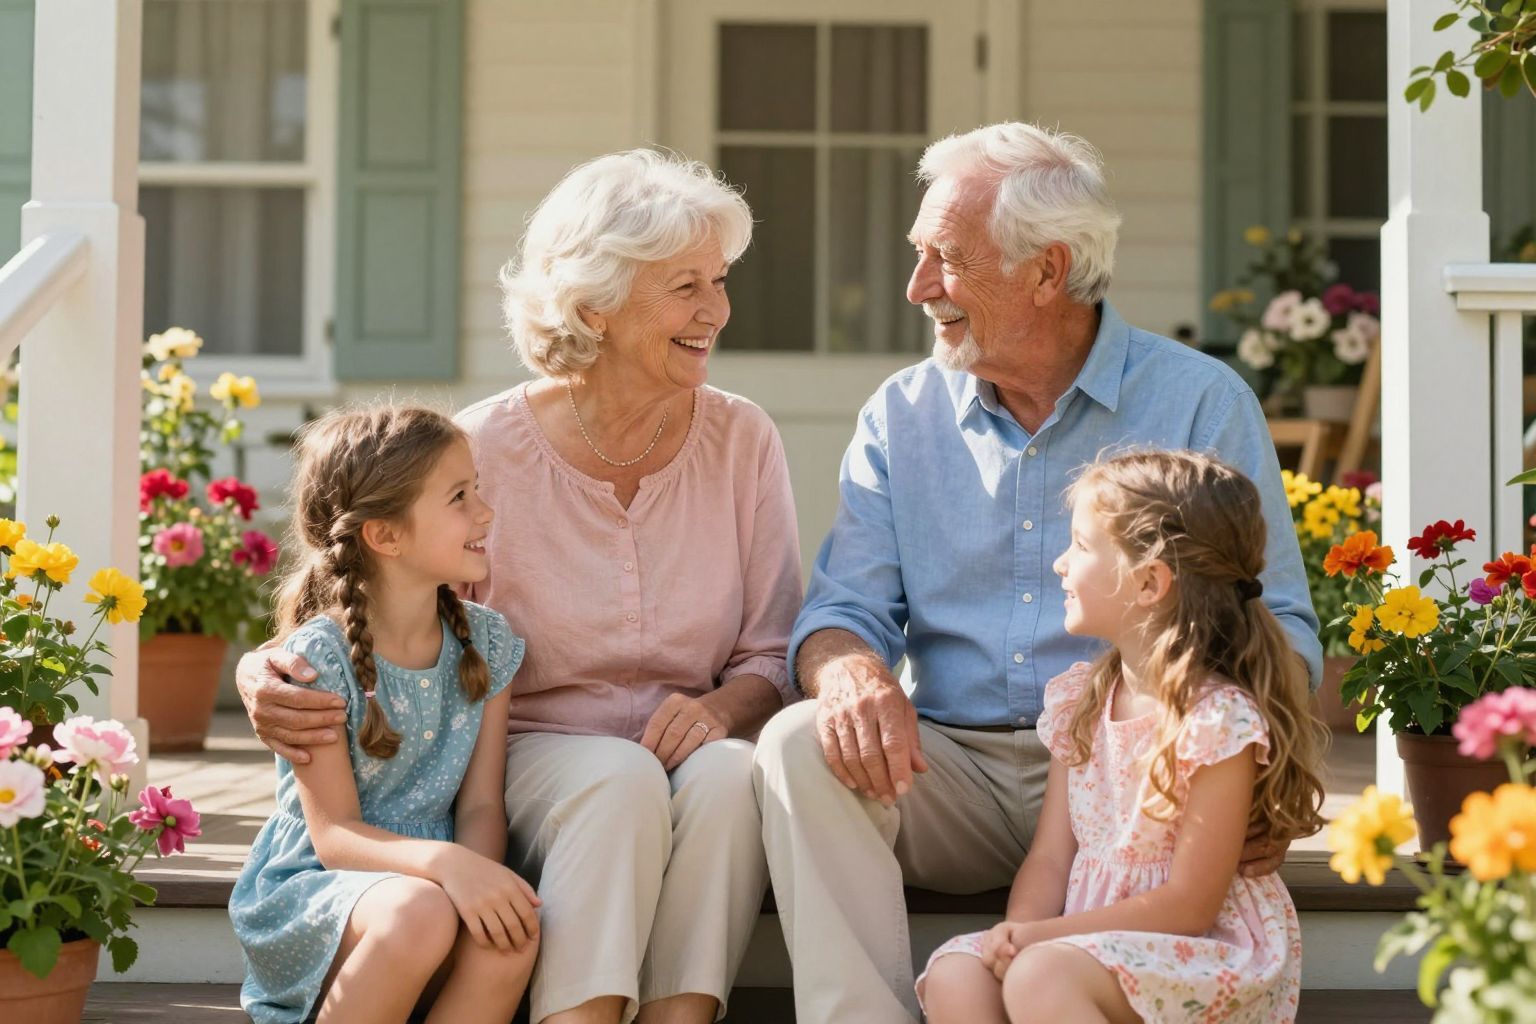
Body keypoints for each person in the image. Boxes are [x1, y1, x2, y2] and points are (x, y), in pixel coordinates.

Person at [752, 121, 1323, 1024]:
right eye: (918, 256)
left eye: (946, 259)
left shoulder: (1201, 403)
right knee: (798, 742)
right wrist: (851, 671)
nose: (917, 288)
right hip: (950, 771)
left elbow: (1277, 622)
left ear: (1047, 271)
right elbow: (841, 609)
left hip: (1145, 785)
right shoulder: (900, 414)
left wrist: (1246, 766)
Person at [237, 149, 803, 1024]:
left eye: (719, 280)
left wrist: (726, 709)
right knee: (617, 777)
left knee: (733, 777)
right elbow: (372, 594)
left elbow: (771, 646)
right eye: (686, 286)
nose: (716, 310)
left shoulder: (744, 439)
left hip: (690, 750)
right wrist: (262, 668)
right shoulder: (483, 451)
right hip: (529, 752)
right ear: (594, 308)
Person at [918, 449, 1326, 1024]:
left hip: (1201, 955)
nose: (1061, 564)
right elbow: (1051, 858)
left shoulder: (1216, 722)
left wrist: (1044, 940)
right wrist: (1016, 935)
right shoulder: (1080, 700)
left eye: (1081, 547)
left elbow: (1190, 905)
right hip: (1085, 945)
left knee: (1042, 973)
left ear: (1148, 582)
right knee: (956, 973)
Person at [229, 405, 538, 1024]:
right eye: (459, 497)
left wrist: (476, 880)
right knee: (418, 913)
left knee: (511, 936)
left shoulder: (488, 644)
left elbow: (480, 806)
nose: (485, 511)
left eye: (476, 489)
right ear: (386, 535)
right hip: (321, 889)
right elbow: (335, 836)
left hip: (431, 886)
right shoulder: (317, 659)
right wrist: (448, 869)